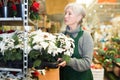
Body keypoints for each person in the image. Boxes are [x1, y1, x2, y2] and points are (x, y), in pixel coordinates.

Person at [58, 2, 94, 80]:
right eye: (65, 13)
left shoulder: (85, 37)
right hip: (65, 77)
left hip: (82, 77)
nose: (65, 16)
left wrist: (68, 61)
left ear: (79, 17)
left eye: (69, 14)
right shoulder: (61, 35)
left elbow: (87, 63)